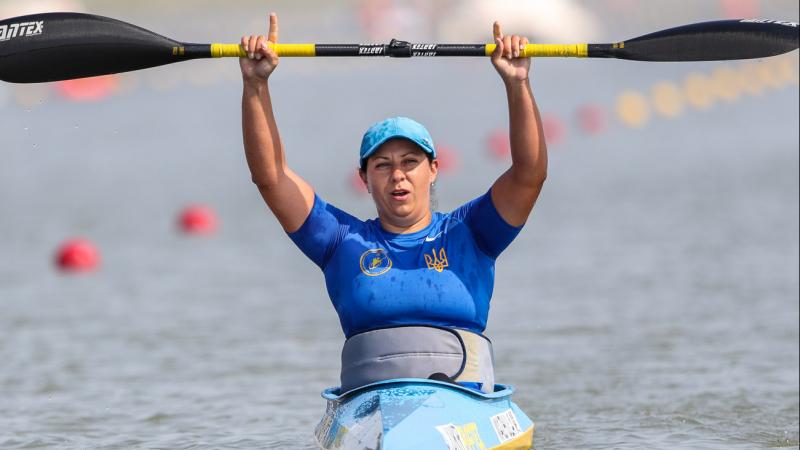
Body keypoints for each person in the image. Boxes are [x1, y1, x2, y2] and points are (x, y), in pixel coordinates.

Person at [240, 13, 547, 394]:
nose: (397, 175)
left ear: (434, 169)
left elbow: (528, 175)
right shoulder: (340, 242)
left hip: (467, 409)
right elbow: (271, 178)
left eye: (410, 163)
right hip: (369, 410)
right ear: (364, 179)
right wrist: (256, 85)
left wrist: (518, 84)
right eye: (382, 165)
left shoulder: (472, 233)